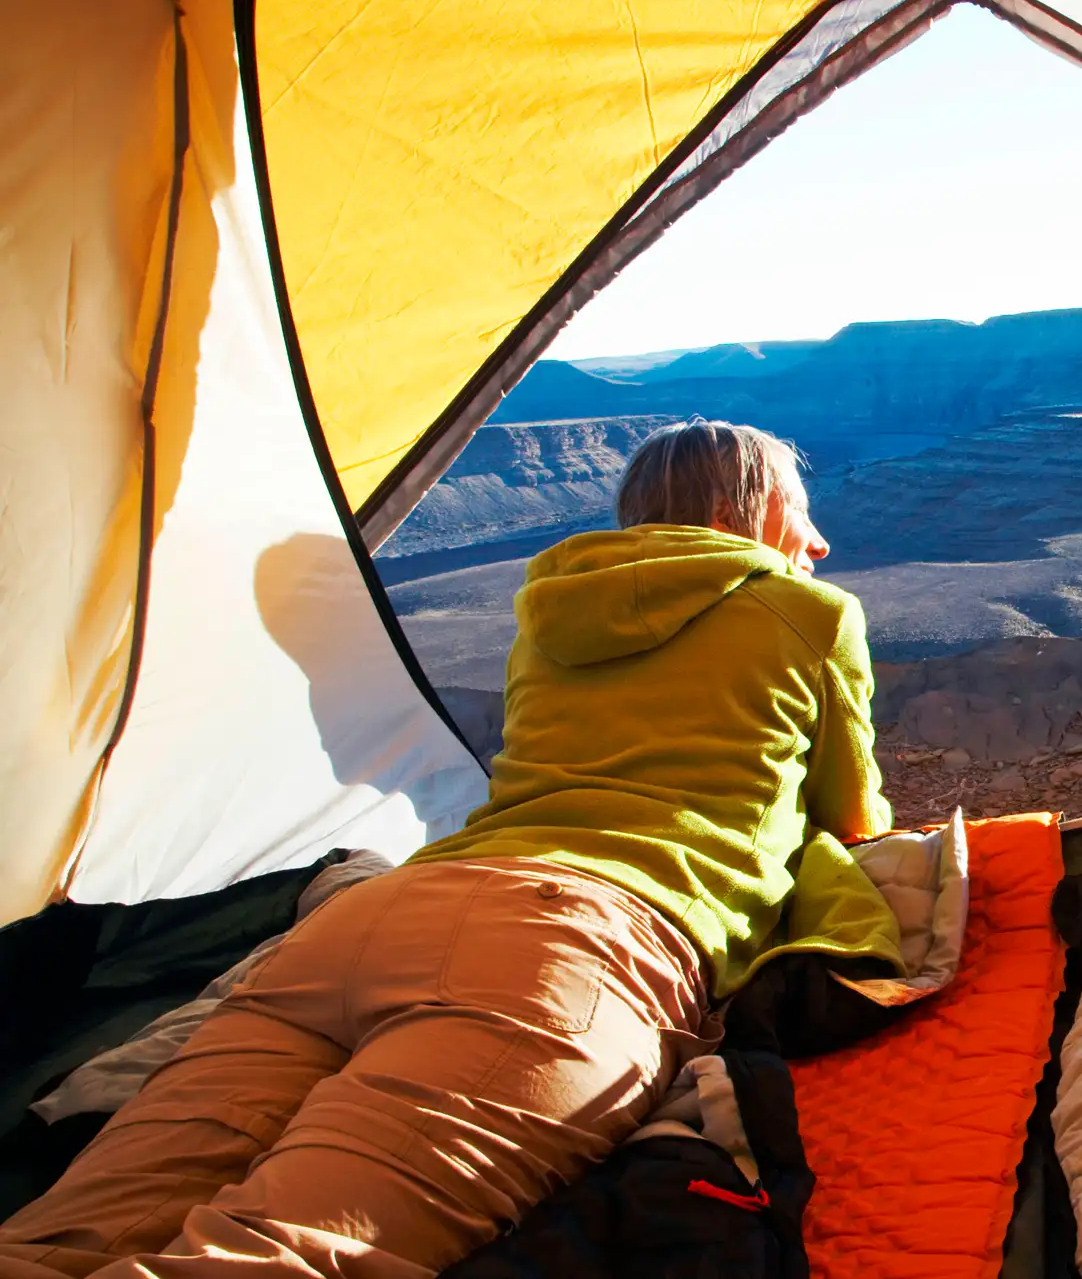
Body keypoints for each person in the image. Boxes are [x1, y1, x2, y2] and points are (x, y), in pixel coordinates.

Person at [0, 419, 899, 1277]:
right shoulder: (808, 612)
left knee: (52, 1240)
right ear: (740, 515)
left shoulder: (545, 616)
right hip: (569, 948)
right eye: (798, 511)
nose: (816, 542)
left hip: (363, 928)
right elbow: (855, 816)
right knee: (277, 1258)